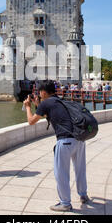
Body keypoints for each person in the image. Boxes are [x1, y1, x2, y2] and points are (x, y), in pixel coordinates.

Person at [23, 80, 90, 212]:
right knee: (80, 169)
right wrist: (38, 105)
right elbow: (52, 116)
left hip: (65, 141)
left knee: (61, 173)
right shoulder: (60, 101)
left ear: (43, 92)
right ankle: (83, 195)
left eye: (39, 92)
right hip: (79, 139)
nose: (39, 95)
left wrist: (28, 107)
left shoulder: (47, 102)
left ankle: (65, 203)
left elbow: (31, 121)